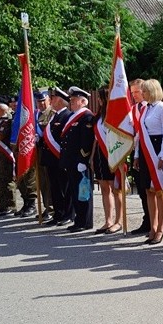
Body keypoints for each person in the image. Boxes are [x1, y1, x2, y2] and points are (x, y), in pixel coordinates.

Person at [134, 79, 163, 244]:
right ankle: (153, 227)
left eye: (145, 91)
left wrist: (162, 156)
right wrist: (136, 155)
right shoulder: (144, 108)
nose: (143, 94)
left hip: (157, 149)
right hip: (144, 150)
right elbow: (140, 134)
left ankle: (161, 228)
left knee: (160, 190)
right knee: (148, 189)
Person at [59, 87, 95, 233]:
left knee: (83, 192)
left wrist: (83, 159)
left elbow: (86, 141)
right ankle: (79, 219)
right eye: (71, 100)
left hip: (80, 161)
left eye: (74, 100)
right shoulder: (73, 116)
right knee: (75, 191)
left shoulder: (86, 117)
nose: (71, 103)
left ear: (82, 101)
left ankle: (85, 221)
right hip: (71, 161)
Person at [92, 88, 123, 235]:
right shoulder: (98, 116)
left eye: (101, 97)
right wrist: (92, 157)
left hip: (113, 153)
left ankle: (119, 221)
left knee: (116, 189)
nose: (98, 100)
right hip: (99, 153)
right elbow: (96, 139)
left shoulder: (114, 114)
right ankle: (108, 220)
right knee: (104, 188)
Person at [40, 88, 73, 227]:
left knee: (64, 187)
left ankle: (68, 214)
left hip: (60, 158)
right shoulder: (54, 116)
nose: (51, 100)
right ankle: (58, 213)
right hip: (51, 159)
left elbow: (65, 138)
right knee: (54, 187)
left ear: (59, 100)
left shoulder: (67, 116)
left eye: (52, 98)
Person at [128, 78, 152, 236]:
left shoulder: (151, 109)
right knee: (142, 190)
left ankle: (153, 222)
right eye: (132, 92)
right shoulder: (132, 109)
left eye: (137, 92)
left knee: (151, 190)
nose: (134, 95)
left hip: (150, 152)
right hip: (136, 151)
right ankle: (147, 220)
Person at [34, 89, 54, 219]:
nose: (41, 104)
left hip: (50, 151)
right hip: (39, 151)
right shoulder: (35, 114)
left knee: (50, 181)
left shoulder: (52, 113)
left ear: (49, 100)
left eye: (43, 101)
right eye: (39, 102)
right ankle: (46, 207)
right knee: (42, 181)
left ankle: (52, 208)